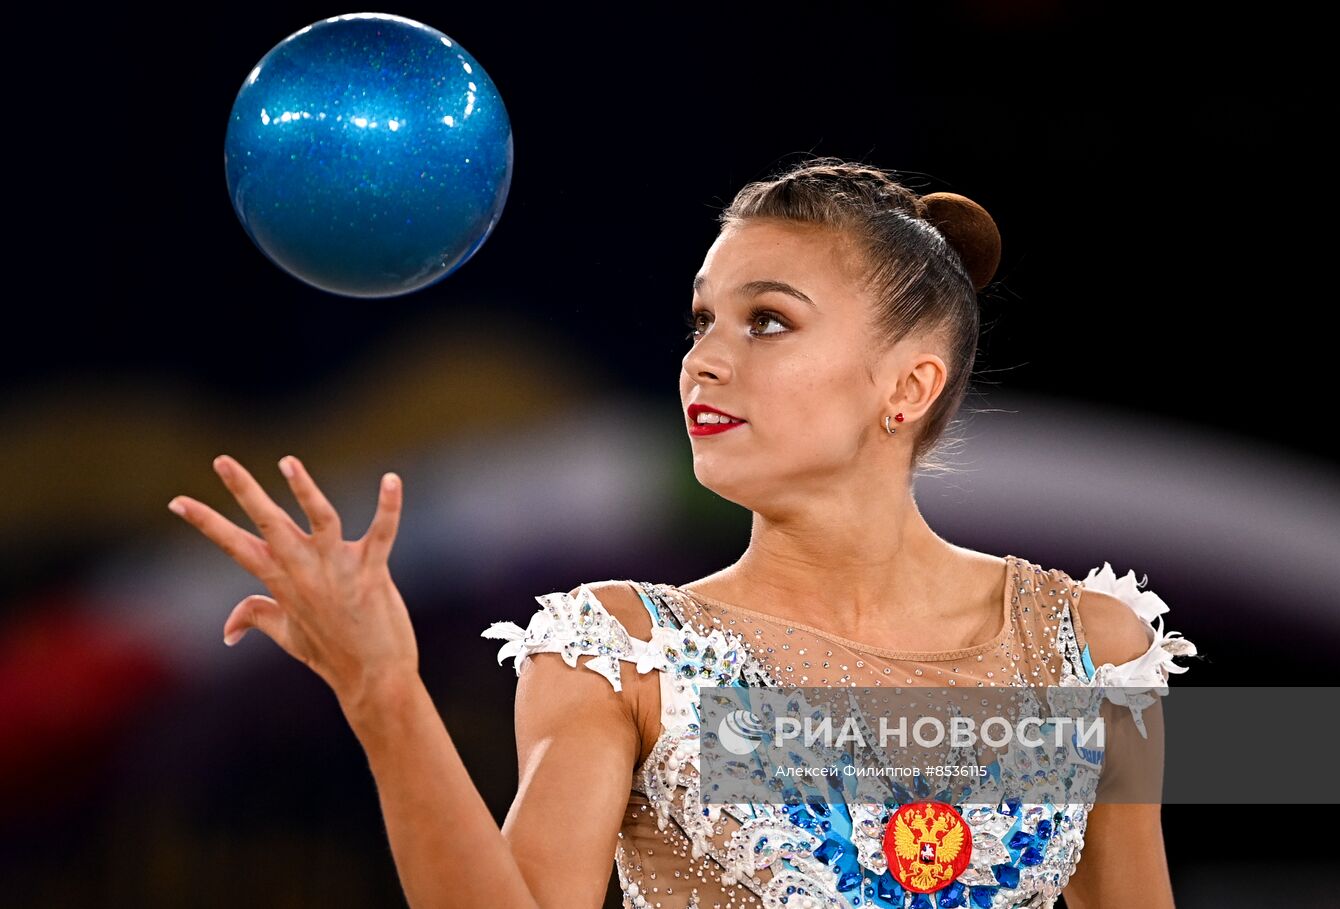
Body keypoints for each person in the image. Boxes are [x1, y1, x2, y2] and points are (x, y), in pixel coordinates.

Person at [168, 157, 1198, 909]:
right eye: (700, 320)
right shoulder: (620, 654)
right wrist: (383, 694)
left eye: (766, 321)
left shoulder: (1086, 650)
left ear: (907, 385)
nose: (702, 361)